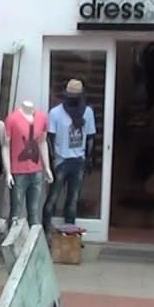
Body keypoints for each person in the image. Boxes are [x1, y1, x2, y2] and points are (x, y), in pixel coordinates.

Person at [44, 79, 96, 231]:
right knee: (53, 198)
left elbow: (91, 137)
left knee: (73, 200)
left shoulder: (88, 112)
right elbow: (49, 139)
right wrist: (52, 162)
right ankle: (45, 232)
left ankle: (70, 235)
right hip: (61, 160)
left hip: (78, 160)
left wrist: (89, 159)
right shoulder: (55, 113)